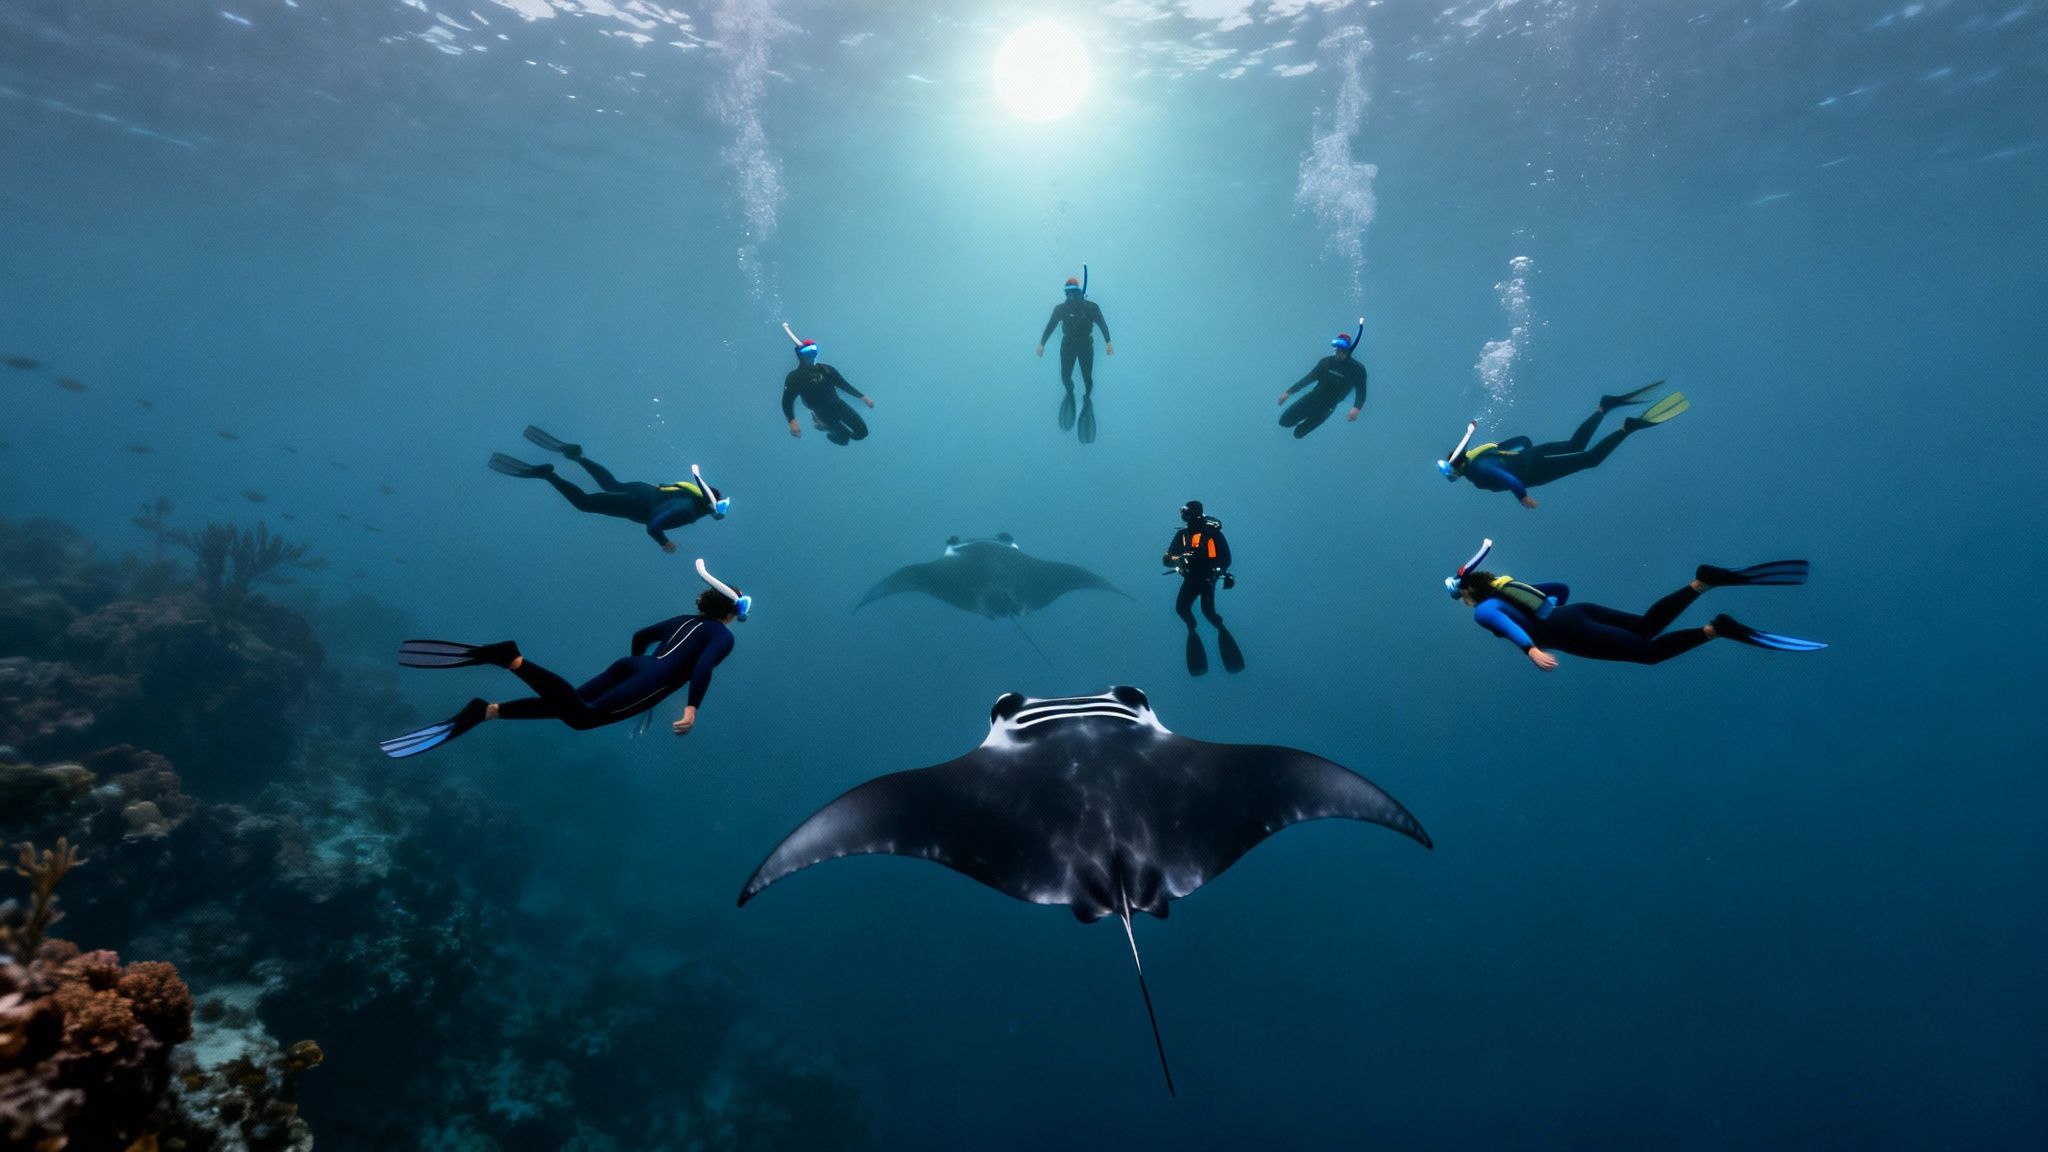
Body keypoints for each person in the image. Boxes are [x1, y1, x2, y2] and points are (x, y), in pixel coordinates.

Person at [378, 560, 750, 757]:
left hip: (636, 667)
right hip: (652, 679)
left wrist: (638, 666)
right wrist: (692, 708)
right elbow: (702, 667)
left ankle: (487, 711)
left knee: (567, 705)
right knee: (581, 719)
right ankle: (512, 660)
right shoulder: (723, 635)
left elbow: (641, 636)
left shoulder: (683, 620)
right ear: (731, 612)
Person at [1444, 538, 1824, 670]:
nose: (1465, 604)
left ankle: (1717, 628)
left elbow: (1501, 623)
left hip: (1570, 631)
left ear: (1468, 593)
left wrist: (1530, 649)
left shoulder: (1484, 608)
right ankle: (1701, 583)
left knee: (1649, 653)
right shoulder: (1508, 588)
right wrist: (1546, 612)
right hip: (1577, 614)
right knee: (1645, 627)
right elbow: (1561, 589)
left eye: (1461, 598)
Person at [1437, 383, 1688, 507]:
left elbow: (1508, 479)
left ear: (1456, 468)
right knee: (1576, 444)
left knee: (1591, 459)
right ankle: (1604, 407)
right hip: (1534, 458)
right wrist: (1528, 454)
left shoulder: (1477, 472)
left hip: (1535, 469)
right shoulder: (1483, 454)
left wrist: (1522, 497)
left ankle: (1627, 428)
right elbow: (1522, 440)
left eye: (1450, 472)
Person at [489, 426, 728, 553]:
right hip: (636, 505)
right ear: (709, 507)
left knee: (611, 484)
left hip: (641, 491)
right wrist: (665, 543)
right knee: (584, 503)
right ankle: (548, 474)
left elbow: (662, 489)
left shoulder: (688, 495)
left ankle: (578, 457)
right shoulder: (689, 510)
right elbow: (654, 525)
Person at [1163, 500, 1244, 676]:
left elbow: (1226, 558)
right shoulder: (1182, 535)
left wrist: (1221, 573)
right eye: (1183, 513)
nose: (1184, 517)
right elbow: (1166, 560)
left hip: (1207, 577)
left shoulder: (1212, 533)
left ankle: (1217, 627)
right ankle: (1192, 627)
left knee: (1207, 611)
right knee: (1181, 608)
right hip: (1191, 576)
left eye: (1186, 513)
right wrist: (1181, 558)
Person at [1035, 268, 1113, 443]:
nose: (1071, 296)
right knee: (1065, 376)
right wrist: (1042, 344)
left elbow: (1102, 324)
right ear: (1065, 293)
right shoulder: (1060, 309)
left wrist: (1108, 342)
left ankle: (1086, 399)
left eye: (1074, 292)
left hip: (1086, 344)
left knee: (1087, 379)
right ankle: (1070, 392)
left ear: (1080, 292)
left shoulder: (1091, 307)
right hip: (1068, 344)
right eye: (1068, 293)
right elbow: (1051, 326)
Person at [1277, 322, 1367, 439]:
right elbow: (1309, 378)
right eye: (1337, 346)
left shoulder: (1356, 369)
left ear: (1348, 348)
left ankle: (1304, 423)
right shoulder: (1326, 363)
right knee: (1283, 422)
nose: (1339, 351)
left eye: (1343, 347)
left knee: (1298, 434)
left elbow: (1361, 391)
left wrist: (1356, 408)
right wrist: (1288, 392)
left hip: (1327, 406)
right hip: (1312, 397)